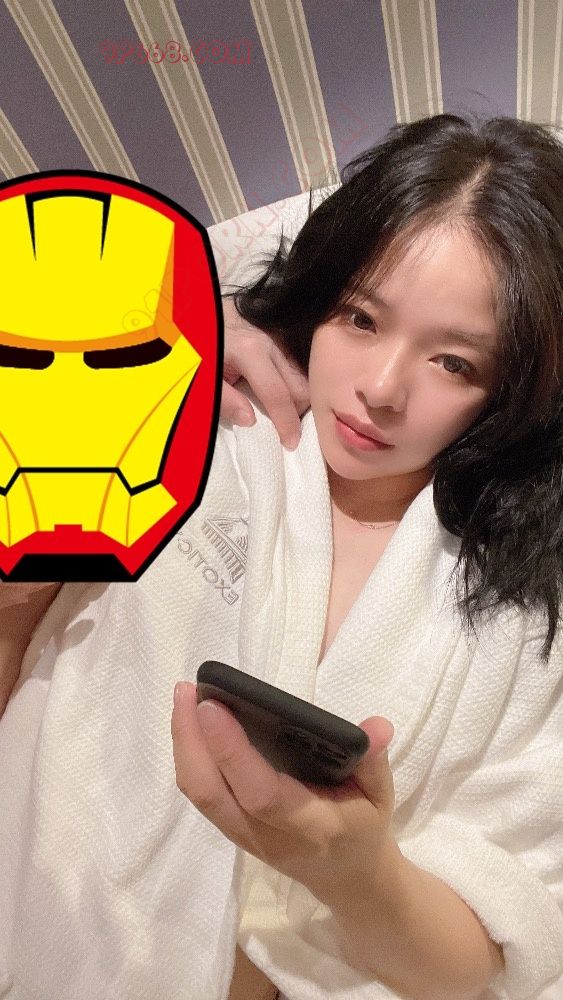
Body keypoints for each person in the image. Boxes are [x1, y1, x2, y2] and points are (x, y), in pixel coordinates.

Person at [0, 113, 562, 1000]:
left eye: (454, 363)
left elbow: (488, 958)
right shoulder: (192, 425)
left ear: (518, 390)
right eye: (360, 317)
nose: (379, 389)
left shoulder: (524, 614)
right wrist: (151, 346)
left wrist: (356, 873)